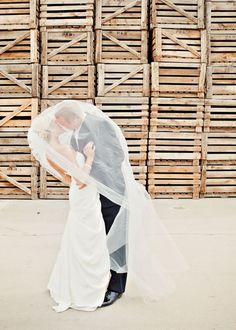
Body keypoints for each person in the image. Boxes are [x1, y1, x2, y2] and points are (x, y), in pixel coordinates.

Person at [27, 100, 190, 313]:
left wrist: (91, 171)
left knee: (117, 234)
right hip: (91, 191)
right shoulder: (74, 132)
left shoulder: (100, 125)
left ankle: (117, 286)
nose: (64, 128)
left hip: (112, 190)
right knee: (95, 236)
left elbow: (116, 156)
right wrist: (86, 171)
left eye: (64, 123)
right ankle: (89, 279)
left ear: (73, 118)